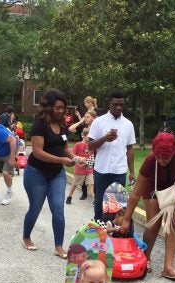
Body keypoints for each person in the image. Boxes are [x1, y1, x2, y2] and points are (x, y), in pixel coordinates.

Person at [119, 132, 175, 279]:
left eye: (166, 158)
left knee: (173, 223)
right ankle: (145, 257)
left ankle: (167, 267)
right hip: (152, 186)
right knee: (153, 224)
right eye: (158, 157)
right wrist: (126, 218)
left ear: (173, 151)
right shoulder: (150, 161)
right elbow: (136, 193)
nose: (161, 161)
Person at [22, 89, 77, 257]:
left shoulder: (62, 125)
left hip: (56, 174)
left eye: (63, 108)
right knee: (36, 207)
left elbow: (65, 148)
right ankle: (26, 237)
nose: (61, 111)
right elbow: (38, 152)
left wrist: (75, 157)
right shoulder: (39, 125)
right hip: (36, 173)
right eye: (58, 107)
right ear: (49, 107)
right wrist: (62, 161)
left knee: (58, 209)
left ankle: (59, 246)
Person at [88, 91, 136, 220]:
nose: (118, 107)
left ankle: (113, 235)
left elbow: (130, 149)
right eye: (115, 104)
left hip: (119, 171)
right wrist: (105, 138)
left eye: (121, 105)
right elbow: (90, 145)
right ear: (109, 103)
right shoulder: (98, 122)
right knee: (99, 205)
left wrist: (132, 172)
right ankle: (99, 233)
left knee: (117, 207)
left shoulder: (128, 124)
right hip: (101, 170)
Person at [65, 126, 93, 204]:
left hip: (89, 169)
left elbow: (92, 157)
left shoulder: (91, 145)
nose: (90, 137)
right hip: (79, 169)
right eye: (89, 135)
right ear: (83, 135)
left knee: (91, 184)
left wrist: (89, 163)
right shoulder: (78, 144)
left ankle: (95, 201)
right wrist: (79, 164)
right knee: (74, 184)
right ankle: (69, 197)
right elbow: (73, 156)